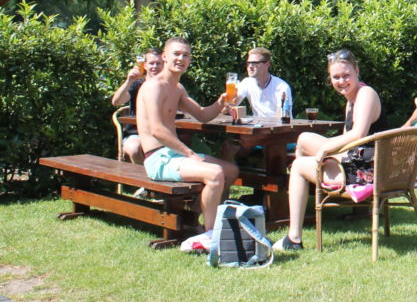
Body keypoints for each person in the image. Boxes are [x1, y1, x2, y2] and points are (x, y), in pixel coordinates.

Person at [274, 50, 390, 251]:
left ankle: (294, 237)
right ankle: (307, 189)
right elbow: (348, 141)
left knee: (298, 166)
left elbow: (358, 134)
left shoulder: (366, 94)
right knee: (303, 139)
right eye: (336, 77)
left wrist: (326, 148)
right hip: (360, 160)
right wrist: (330, 153)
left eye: (346, 76)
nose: (341, 81)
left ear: (357, 71)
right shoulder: (352, 99)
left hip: (368, 173)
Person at [136, 37, 239, 242]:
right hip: (158, 159)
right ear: (165, 57)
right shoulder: (153, 87)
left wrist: (221, 102)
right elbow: (157, 130)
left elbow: (202, 115)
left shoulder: (177, 88)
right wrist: (190, 154)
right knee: (215, 174)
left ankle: (192, 219)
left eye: (186, 55)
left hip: (174, 155)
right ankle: (210, 235)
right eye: (176, 54)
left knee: (231, 170)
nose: (181, 58)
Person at [220, 47, 293, 161]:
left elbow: (280, 120)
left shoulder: (281, 87)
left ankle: (269, 178)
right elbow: (227, 109)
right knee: (229, 146)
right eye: (248, 62)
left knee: (263, 144)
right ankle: (229, 176)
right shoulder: (247, 83)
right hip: (257, 132)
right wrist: (229, 100)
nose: (250, 66)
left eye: (255, 63)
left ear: (267, 65)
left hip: (280, 134)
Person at [111, 48, 163, 164]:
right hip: (136, 134)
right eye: (151, 63)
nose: (154, 66)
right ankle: (141, 180)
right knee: (135, 149)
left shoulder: (168, 86)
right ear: (144, 66)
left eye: (158, 63)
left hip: (161, 133)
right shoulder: (137, 84)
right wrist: (129, 80)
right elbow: (116, 101)